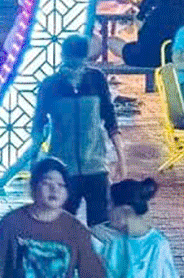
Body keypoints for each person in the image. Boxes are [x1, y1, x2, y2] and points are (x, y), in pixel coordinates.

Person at [31, 36, 123, 224]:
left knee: (100, 227)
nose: (75, 66)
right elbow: (39, 125)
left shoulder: (97, 79)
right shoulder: (50, 85)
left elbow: (110, 119)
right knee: (62, 225)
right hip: (63, 171)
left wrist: (122, 159)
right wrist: (36, 163)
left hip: (95, 167)